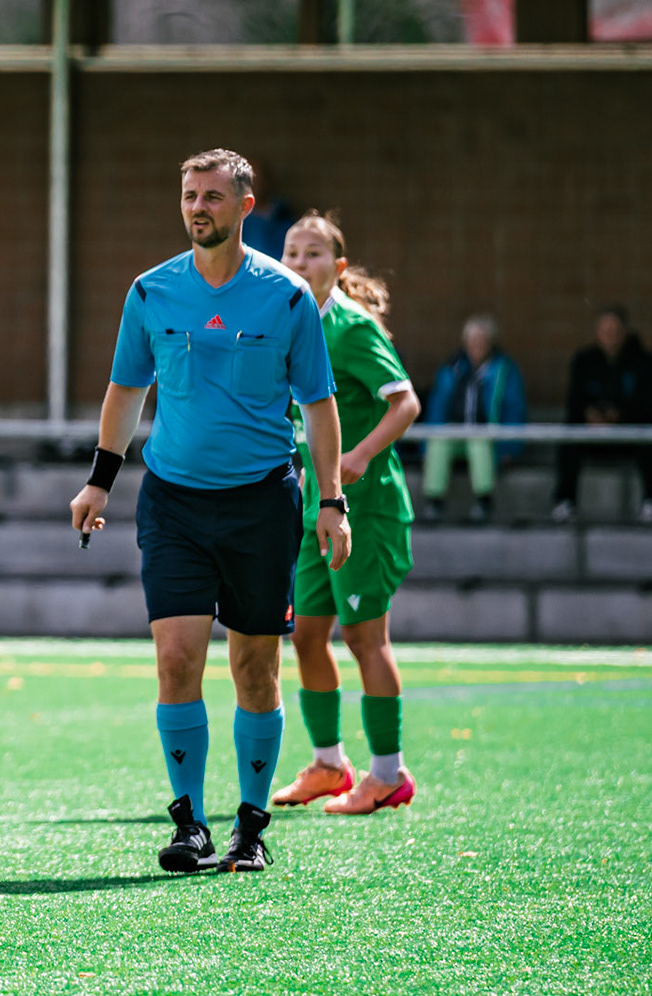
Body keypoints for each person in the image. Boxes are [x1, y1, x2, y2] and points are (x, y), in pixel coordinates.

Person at [69, 149, 349, 876]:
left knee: (255, 665)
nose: (199, 208)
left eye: (214, 197)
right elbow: (125, 391)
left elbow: (319, 407)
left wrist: (331, 501)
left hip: (262, 503)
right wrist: (99, 482)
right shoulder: (150, 292)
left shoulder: (287, 297)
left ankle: (250, 827)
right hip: (172, 503)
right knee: (175, 659)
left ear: (245, 206)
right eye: (190, 195)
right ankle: (189, 821)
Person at [271, 213, 423, 817]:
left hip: (367, 508)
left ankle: (390, 774)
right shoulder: (289, 326)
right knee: (306, 634)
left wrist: (357, 456)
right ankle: (330, 764)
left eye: (312, 255)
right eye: (291, 252)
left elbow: (405, 401)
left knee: (364, 637)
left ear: (337, 268)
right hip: (313, 507)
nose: (299, 263)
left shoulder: (352, 329)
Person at [552, 306, 652, 524]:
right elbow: (574, 401)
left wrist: (619, 415)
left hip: (630, 435)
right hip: (594, 434)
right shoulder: (583, 361)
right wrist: (591, 414)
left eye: (614, 330)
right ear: (597, 332)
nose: (610, 335)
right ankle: (565, 501)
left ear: (625, 331)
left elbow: (649, 403)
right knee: (569, 435)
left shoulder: (646, 362)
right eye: (605, 330)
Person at [421, 316, 526, 524]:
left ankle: (484, 501)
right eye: (473, 340)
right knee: (439, 440)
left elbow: (514, 409)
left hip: (488, 437)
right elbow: (438, 407)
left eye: (482, 340)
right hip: (455, 434)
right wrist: (425, 447)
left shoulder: (504, 370)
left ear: (491, 342)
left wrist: (510, 448)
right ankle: (434, 502)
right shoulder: (453, 368)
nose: (477, 345)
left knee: (478, 440)